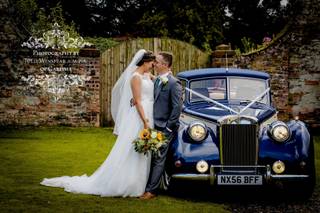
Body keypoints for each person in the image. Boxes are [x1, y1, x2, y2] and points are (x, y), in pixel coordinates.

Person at [40, 49, 156, 197]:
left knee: (144, 148)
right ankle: (127, 183)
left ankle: (142, 182)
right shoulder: (135, 77)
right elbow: (138, 101)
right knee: (132, 148)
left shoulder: (146, 75)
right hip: (140, 115)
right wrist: (145, 121)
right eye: (152, 62)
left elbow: (154, 80)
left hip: (149, 111)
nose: (153, 65)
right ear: (145, 62)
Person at [140, 52, 183, 200]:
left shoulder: (173, 83)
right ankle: (147, 186)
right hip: (154, 124)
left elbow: (177, 108)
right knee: (151, 157)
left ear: (164, 65)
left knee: (159, 158)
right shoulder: (158, 80)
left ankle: (151, 191)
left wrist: (168, 128)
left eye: (157, 62)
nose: (154, 64)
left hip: (165, 127)